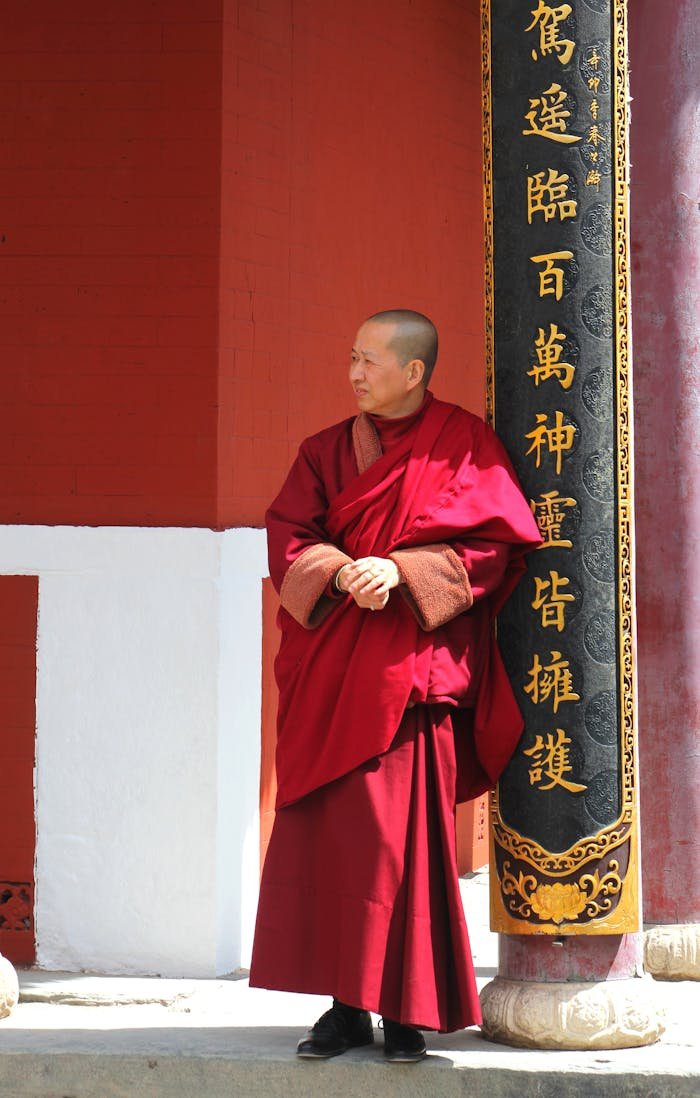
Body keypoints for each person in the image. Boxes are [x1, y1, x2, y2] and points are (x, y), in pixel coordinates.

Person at [249, 309, 541, 1062]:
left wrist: (403, 569)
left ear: (414, 372)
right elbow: (289, 536)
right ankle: (345, 1008)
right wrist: (339, 567)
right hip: (334, 672)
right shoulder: (323, 452)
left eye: (369, 360)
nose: (354, 372)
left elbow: (494, 546)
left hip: (410, 680)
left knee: (402, 850)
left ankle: (404, 1010)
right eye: (351, 357)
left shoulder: (464, 446)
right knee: (335, 850)